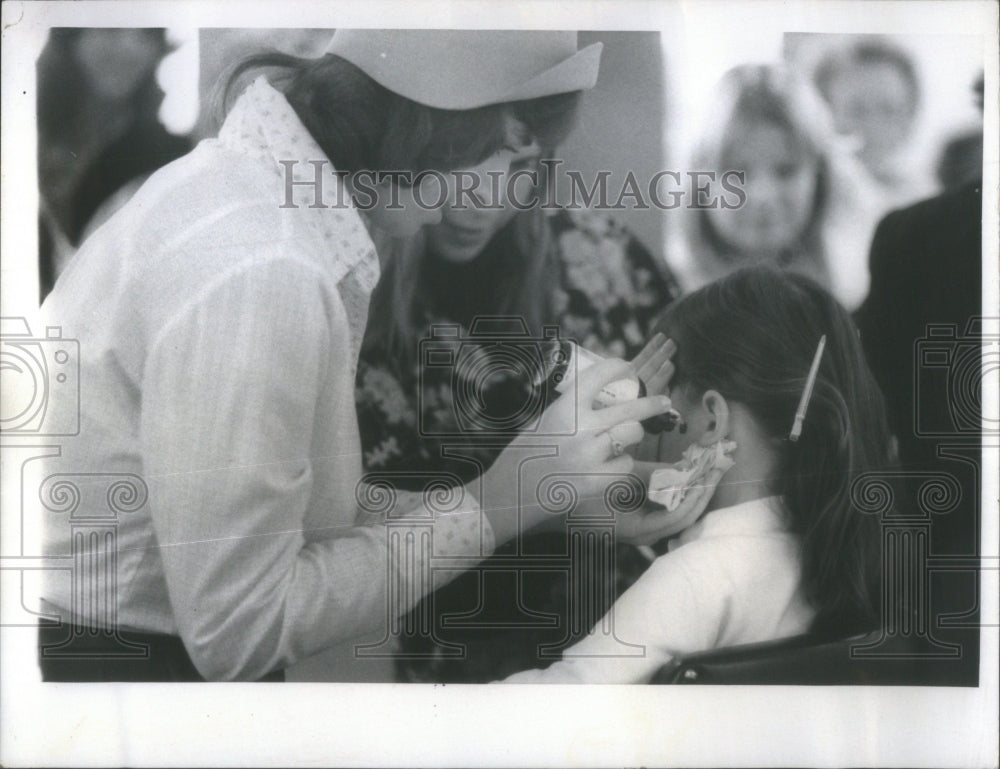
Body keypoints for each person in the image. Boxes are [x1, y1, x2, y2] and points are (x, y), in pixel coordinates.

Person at [35, 30, 681, 682]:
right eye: (513, 159)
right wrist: (497, 503)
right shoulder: (263, 263)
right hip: (129, 684)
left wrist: (540, 503)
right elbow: (240, 630)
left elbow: (302, 514)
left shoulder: (251, 200)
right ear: (452, 129)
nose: (493, 199)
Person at [356, 148, 682, 680]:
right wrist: (555, 506)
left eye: (519, 165)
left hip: (627, 646)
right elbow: (355, 528)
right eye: (463, 159)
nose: (484, 197)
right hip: (465, 663)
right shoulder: (363, 292)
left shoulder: (605, 255)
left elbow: (686, 411)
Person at [503, 266, 893, 683]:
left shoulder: (692, 579)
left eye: (662, 397)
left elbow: (547, 718)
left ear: (710, 422)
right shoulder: (842, 558)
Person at [665, 64, 881, 312]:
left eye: (786, 170)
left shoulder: (856, 302)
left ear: (820, 180)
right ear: (700, 183)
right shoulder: (656, 304)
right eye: (738, 173)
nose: (762, 196)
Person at [36, 28, 192, 300]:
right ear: (71, 34)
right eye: (110, 30)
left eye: (145, 35)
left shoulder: (170, 154)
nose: (128, 48)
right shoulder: (23, 135)